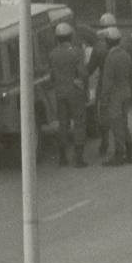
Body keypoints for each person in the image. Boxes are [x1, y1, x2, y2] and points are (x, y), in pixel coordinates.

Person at [49, 22, 89, 168]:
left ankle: (62, 158)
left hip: (60, 93)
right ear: (70, 36)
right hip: (75, 92)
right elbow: (83, 73)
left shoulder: (52, 54)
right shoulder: (76, 52)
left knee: (63, 124)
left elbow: (52, 75)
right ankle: (79, 158)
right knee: (79, 123)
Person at [100, 25, 132, 166]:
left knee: (116, 125)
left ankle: (119, 155)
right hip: (126, 92)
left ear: (108, 42)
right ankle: (130, 153)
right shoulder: (125, 55)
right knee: (123, 123)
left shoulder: (111, 58)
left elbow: (107, 81)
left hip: (115, 95)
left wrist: (104, 99)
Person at [84, 12, 116, 156]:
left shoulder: (98, 48)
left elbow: (90, 69)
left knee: (102, 115)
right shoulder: (123, 43)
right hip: (120, 85)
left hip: (104, 86)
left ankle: (105, 143)